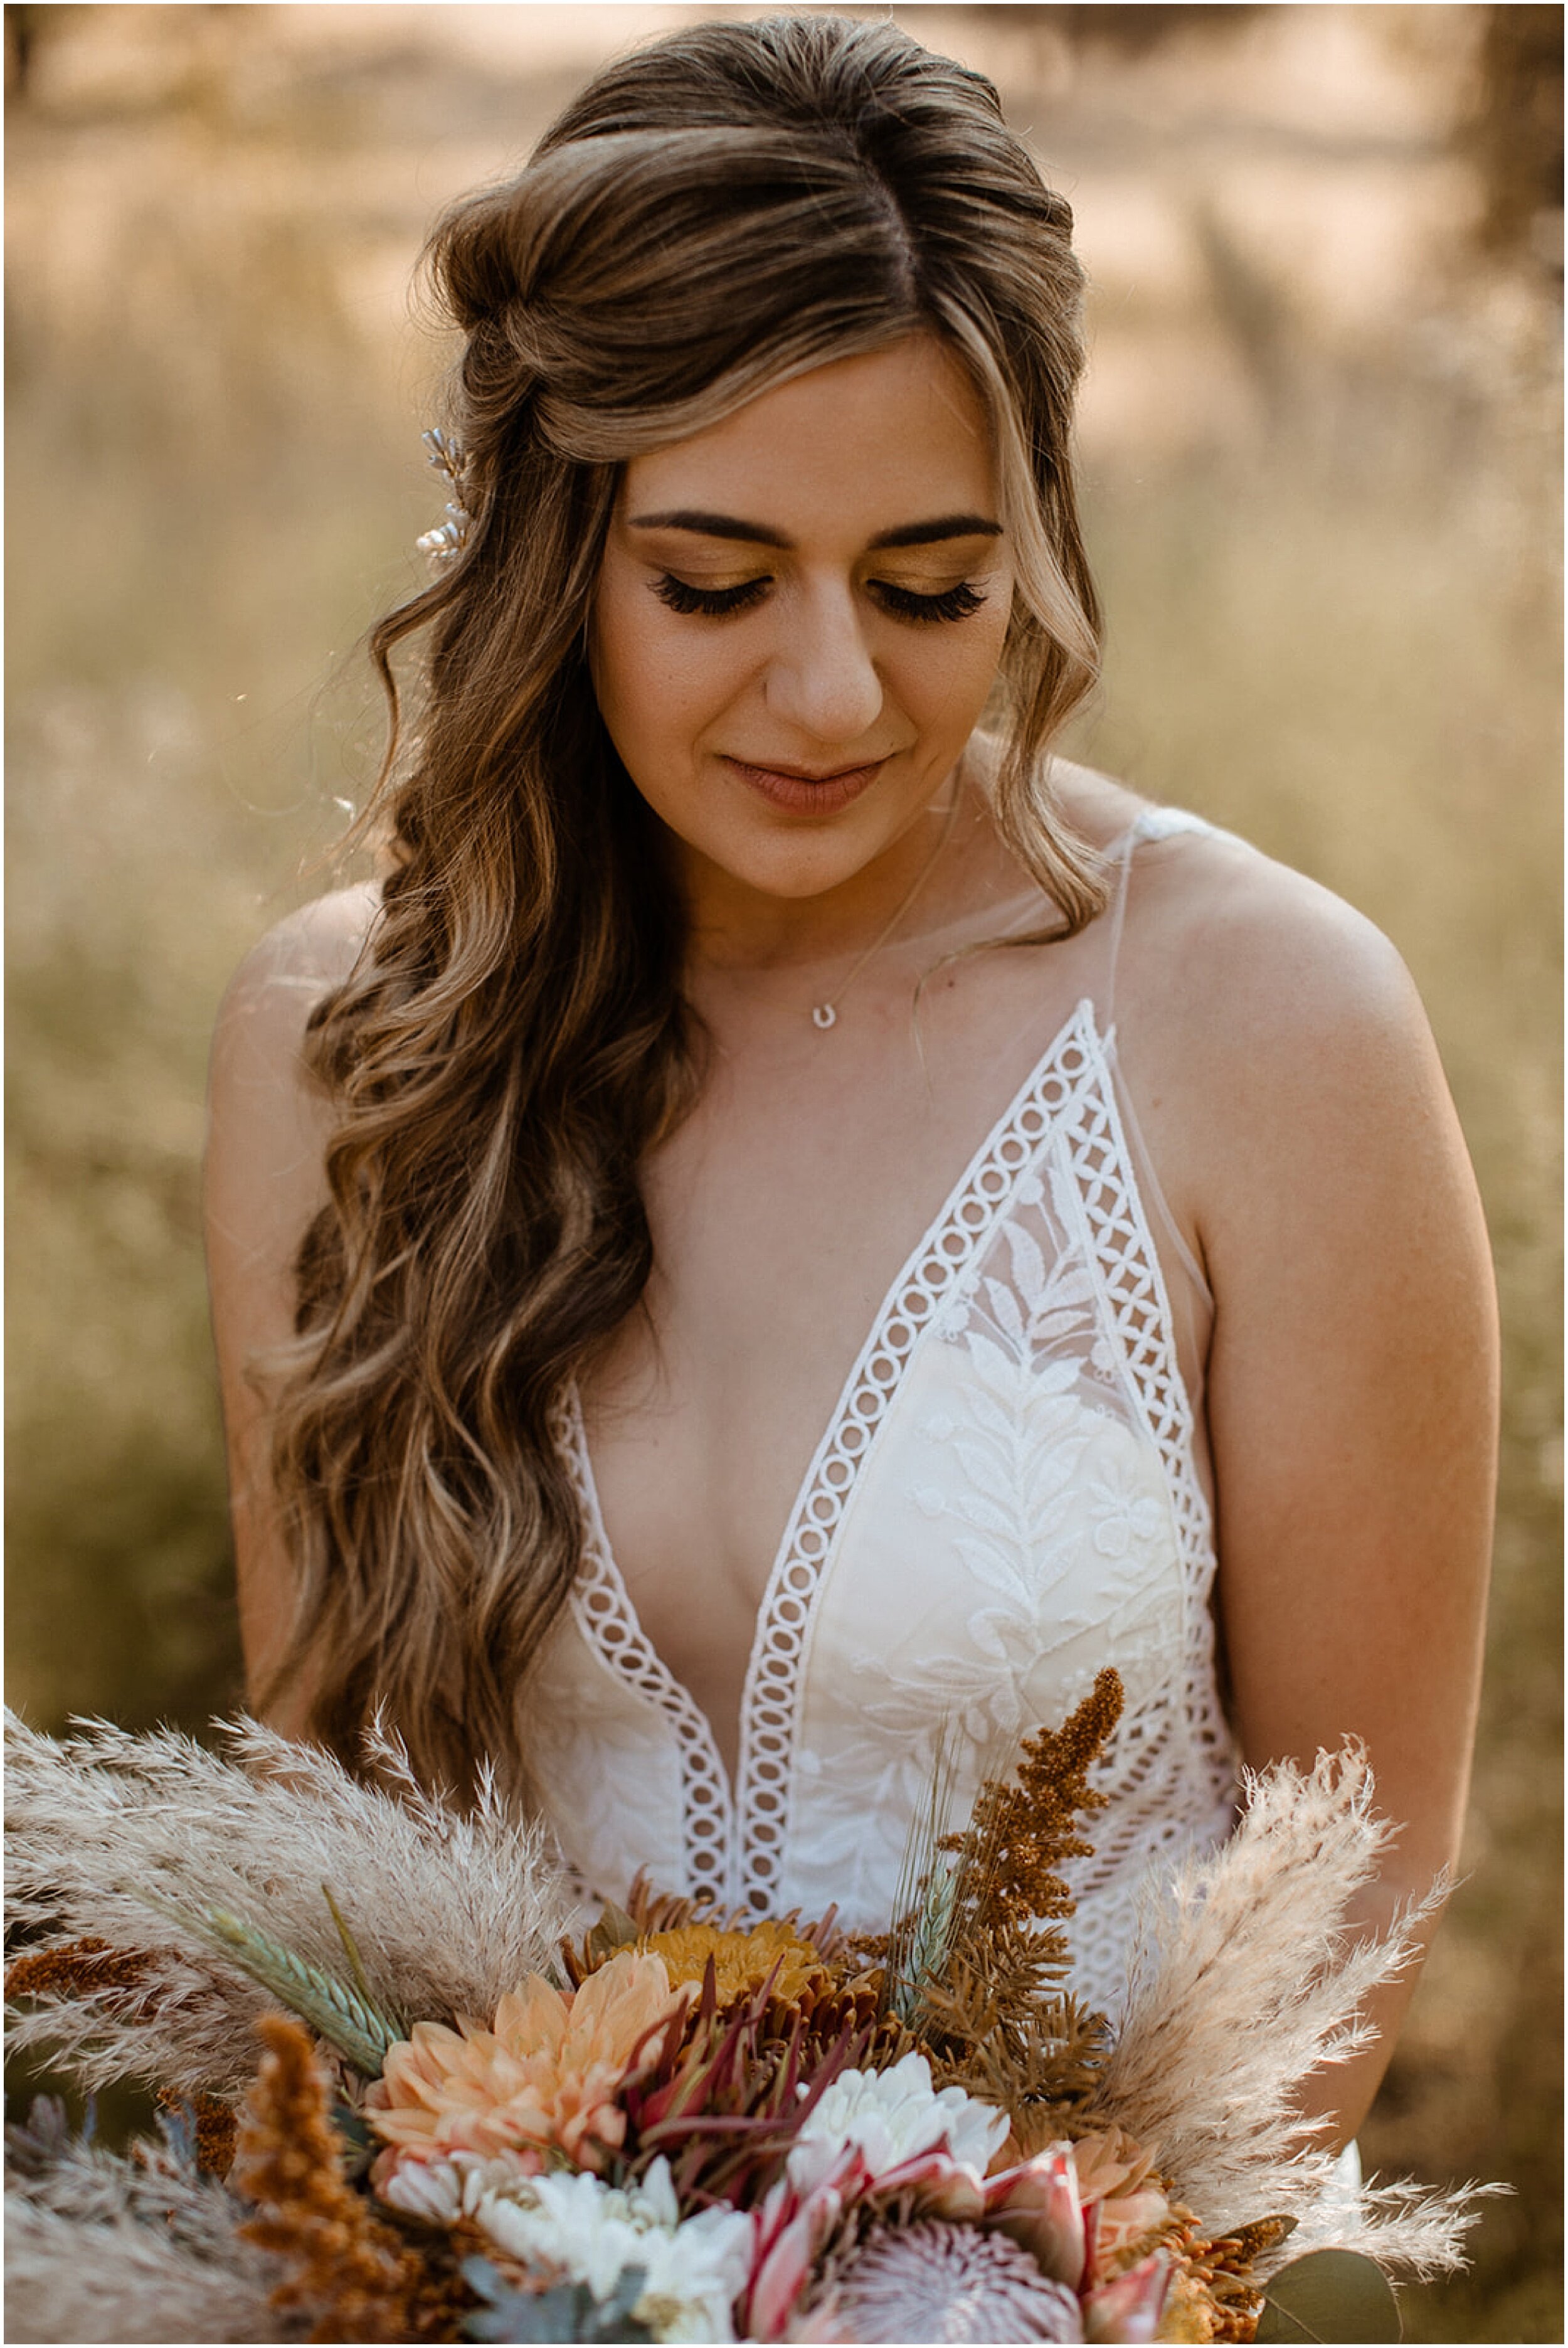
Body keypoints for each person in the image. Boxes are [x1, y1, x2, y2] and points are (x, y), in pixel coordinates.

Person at [203, 14, 1495, 2156]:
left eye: (931, 587)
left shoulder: (1267, 1029)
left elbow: (1355, 1876)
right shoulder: (343, 1050)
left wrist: (1056, 2296)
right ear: (551, 549)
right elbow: (327, 1836)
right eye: (712, 584)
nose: (830, 690)